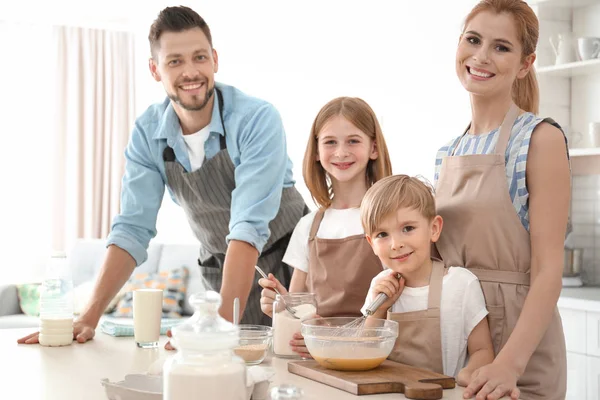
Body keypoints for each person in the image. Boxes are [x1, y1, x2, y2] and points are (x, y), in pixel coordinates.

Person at [18, 6, 307, 345]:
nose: (191, 71)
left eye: (199, 57)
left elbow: (247, 228)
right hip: (222, 271)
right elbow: (132, 229)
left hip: (292, 265)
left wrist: (217, 330)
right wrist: (89, 317)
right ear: (155, 69)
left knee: (292, 369)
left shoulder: (257, 119)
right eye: (175, 61)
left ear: (215, 59)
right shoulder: (148, 132)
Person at [433, 1, 570, 398]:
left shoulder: (540, 139)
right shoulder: (448, 152)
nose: (481, 56)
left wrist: (509, 363)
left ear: (525, 64)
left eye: (501, 47)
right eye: (473, 40)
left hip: (519, 349)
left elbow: (547, 271)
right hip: (457, 343)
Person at [259, 97, 393, 358]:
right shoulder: (308, 226)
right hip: (319, 357)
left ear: (374, 148)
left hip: (374, 354)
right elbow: (296, 308)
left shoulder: (389, 218)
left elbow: (405, 299)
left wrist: (339, 338)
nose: (341, 152)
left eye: (353, 141)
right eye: (330, 142)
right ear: (317, 153)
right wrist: (280, 304)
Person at [360, 175, 494, 384]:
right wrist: (378, 310)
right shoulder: (379, 286)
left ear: (434, 229)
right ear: (371, 243)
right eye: (382, 234)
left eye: (408, 229)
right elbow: (365, 352)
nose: (396, 244)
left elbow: (482, 350)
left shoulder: (461, 284)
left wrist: (467, 375)